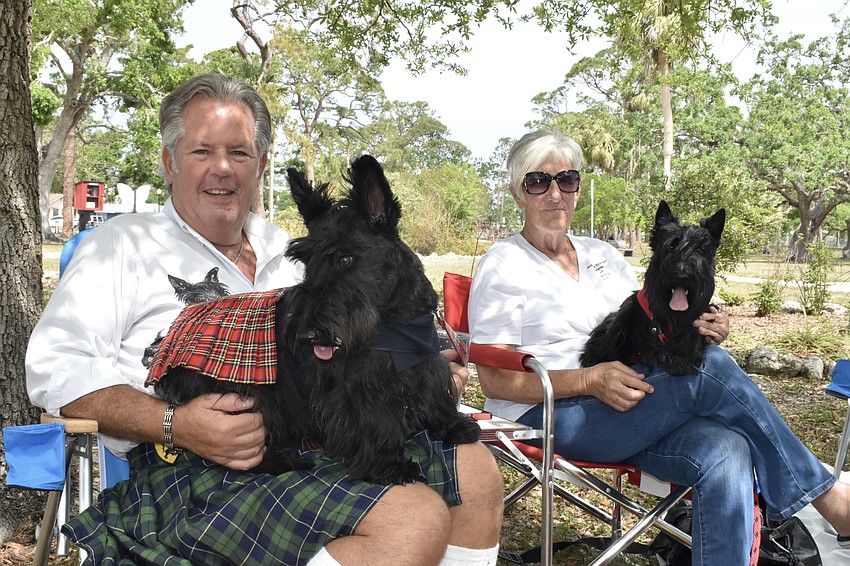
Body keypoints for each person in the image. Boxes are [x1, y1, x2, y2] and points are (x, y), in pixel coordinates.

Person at [26, 73, 503, 566]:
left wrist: (422, 370)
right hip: (192, 467)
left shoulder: (295, 248)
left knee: (475, 470)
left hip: (320, 443)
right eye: (201, 152)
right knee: (411, 519)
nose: (222, 169)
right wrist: (175, 423)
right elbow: (55, 369)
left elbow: (361, 347)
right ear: (170, 162)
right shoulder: (120, 245)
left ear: (260, 164)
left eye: (238, 153)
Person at [468, 129, 850, 564]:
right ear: (519, 192)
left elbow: (656, 317)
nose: (555, 193)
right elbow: (496, 379)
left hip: (635, 401)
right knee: (710, 368)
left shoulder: (604, 255)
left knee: (727, 448)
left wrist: (703, 321)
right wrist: (589, 380)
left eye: (567, 180)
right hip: (555, 413)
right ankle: (828, 497)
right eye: (539, 182)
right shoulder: (504, 263)